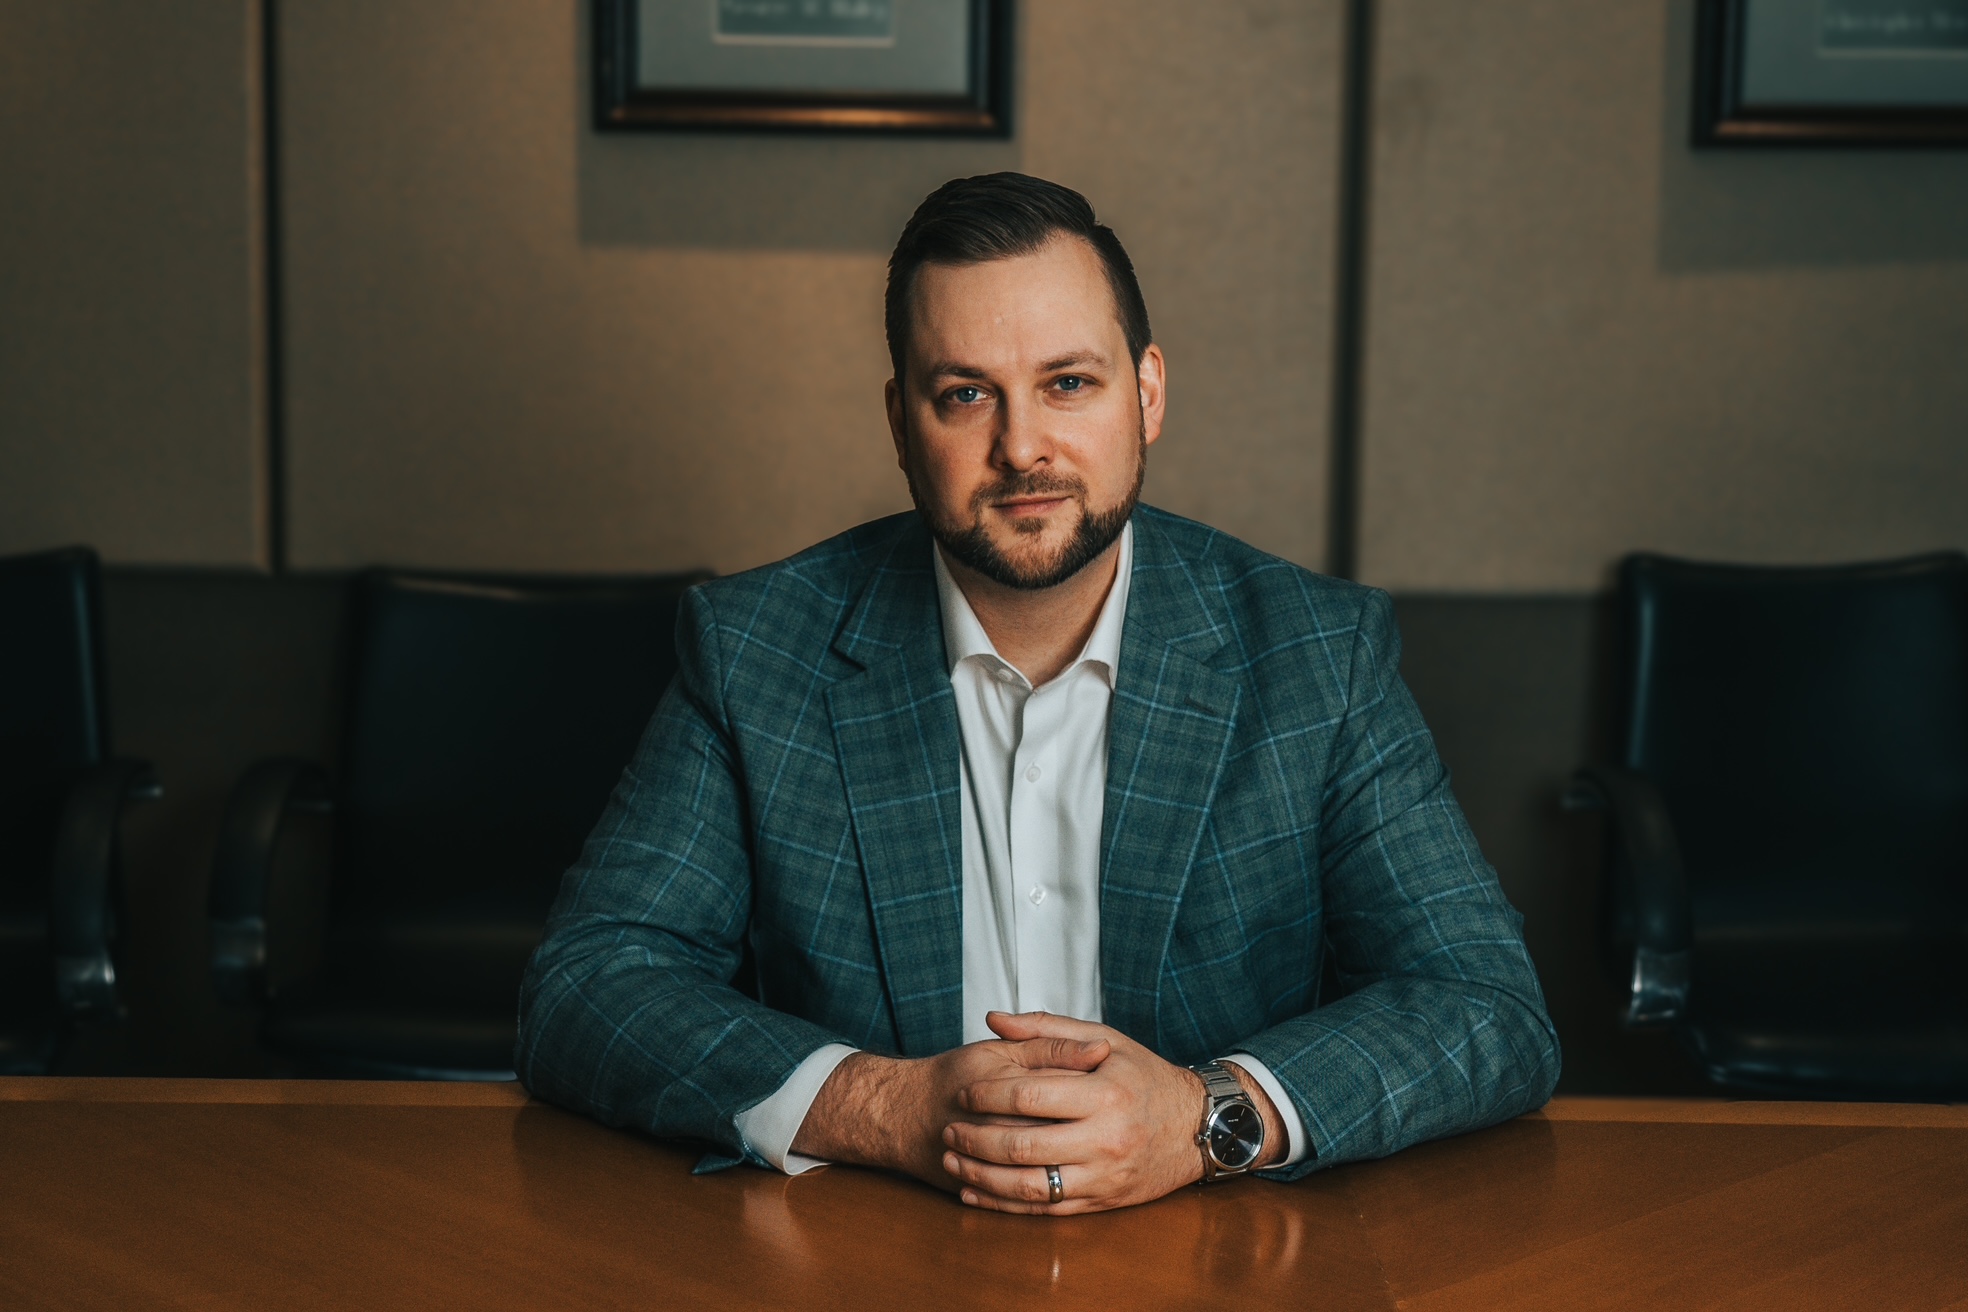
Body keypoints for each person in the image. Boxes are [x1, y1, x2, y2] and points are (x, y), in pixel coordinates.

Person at [518, 172, 1559, 1215]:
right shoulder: (756, 649)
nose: (1022, 448)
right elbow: (586, 988)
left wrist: (1205, 1118)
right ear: (900, 421)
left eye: (1069, 383)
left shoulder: (1316, 653)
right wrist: (886, 1106)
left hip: (1211, 1255)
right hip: (867, 1254)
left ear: (1147, 391)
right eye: (965, 394)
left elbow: (1485, 1002)